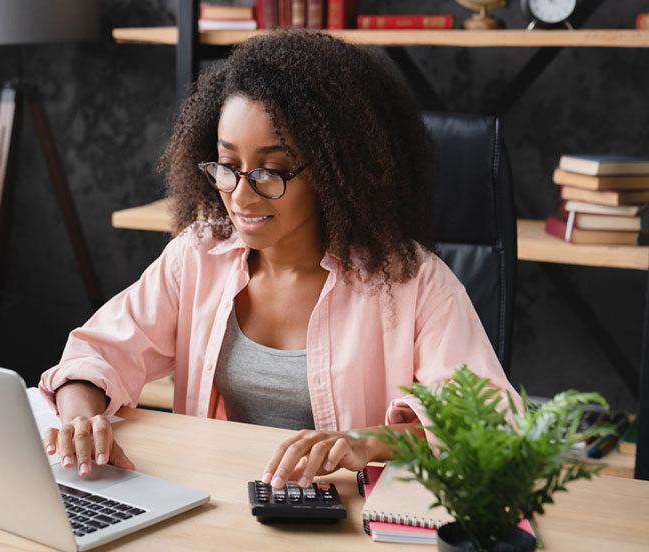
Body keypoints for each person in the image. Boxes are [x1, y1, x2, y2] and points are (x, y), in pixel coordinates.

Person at [38, 30, 519, 490]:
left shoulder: (413, 284)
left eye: (272, 171)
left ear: (336, 173)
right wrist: (82, 417)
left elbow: (494, 428)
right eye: (228, 167)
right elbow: (96, 353)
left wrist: (370, 442)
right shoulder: (199, 256)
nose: (241, 196)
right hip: (216, 502)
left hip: (346, 522)